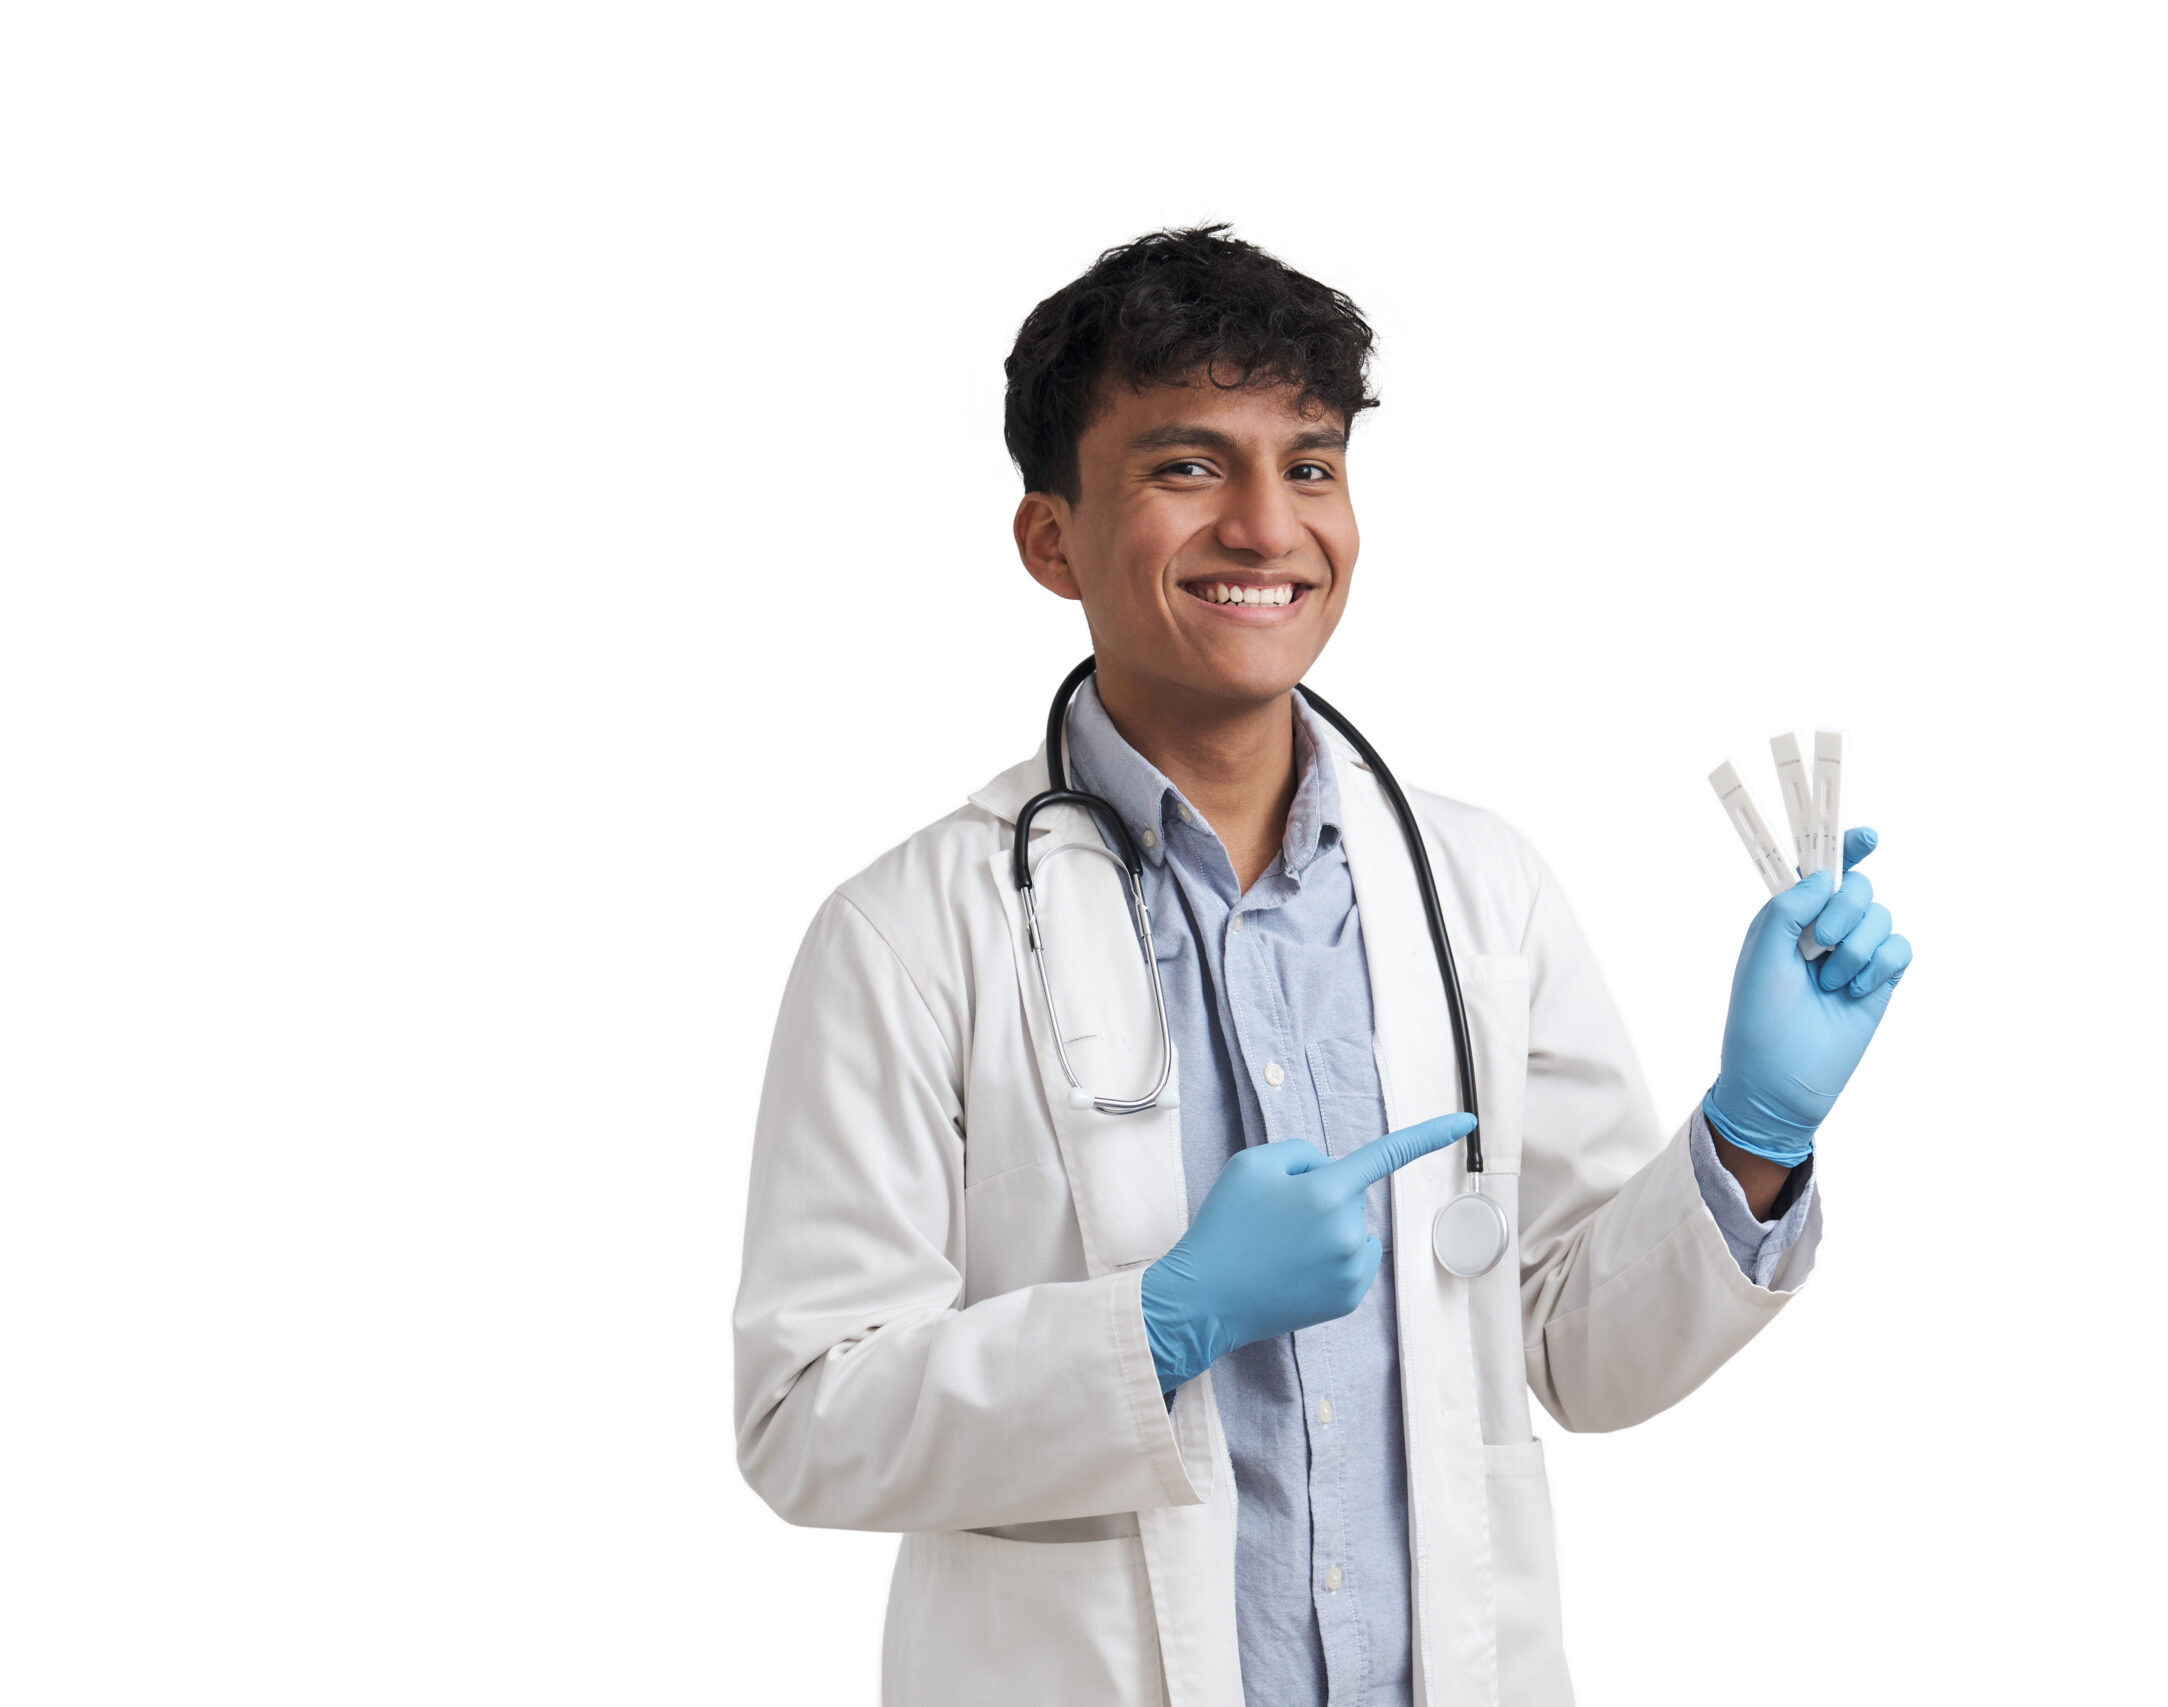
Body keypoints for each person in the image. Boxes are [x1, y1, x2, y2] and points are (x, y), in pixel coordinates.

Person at [732, 225, 1913, 1707]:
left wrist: (1752, 1138)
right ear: (1051, 540)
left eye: (1309, 465)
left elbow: (1576, 1353)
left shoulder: (1477, 889)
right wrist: (1159, 1324)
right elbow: (804, 1413)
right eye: (1185, 467)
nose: (1264, 527)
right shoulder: (912, 935)